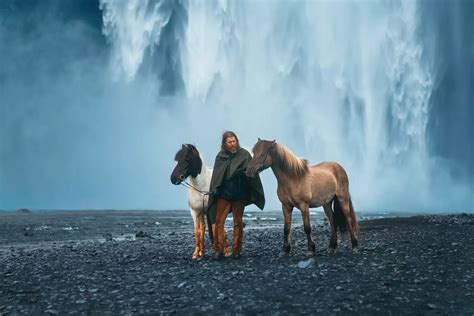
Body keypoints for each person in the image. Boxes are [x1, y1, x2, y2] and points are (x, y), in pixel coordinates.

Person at [208, 131, 265, 260]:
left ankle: (237, 250)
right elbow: (217, 176)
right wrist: (215, 189)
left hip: (239, 195)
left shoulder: (244, 155)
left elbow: (252, 173)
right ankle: (218, 250)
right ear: (225, 143)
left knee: (238, 223)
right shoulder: (220, 156)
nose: (232, 144)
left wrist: (243, 173)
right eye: (229, 142)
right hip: (224, 195)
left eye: (234, 141)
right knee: (218, 222)